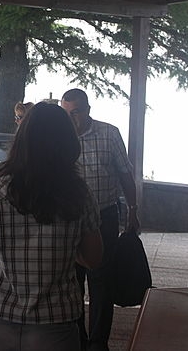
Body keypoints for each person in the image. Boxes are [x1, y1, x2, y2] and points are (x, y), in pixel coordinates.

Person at [0, 102, 103, 351]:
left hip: (1, 319)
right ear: (68, 143)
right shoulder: (80, 195)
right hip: (56, 322)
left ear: (22, 140)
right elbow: (93, 258)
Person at [60, 88, 140, 351]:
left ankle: (97, 342)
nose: (72, 119)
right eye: (66, 113)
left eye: (76, 113)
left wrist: (132, 210)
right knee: (71, 281)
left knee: (101, 280)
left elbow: (125, 174)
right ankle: (78, 338)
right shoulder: (59, 137)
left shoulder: (109, 134)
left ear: (88, 110)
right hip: (69, 219)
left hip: (104, 215)